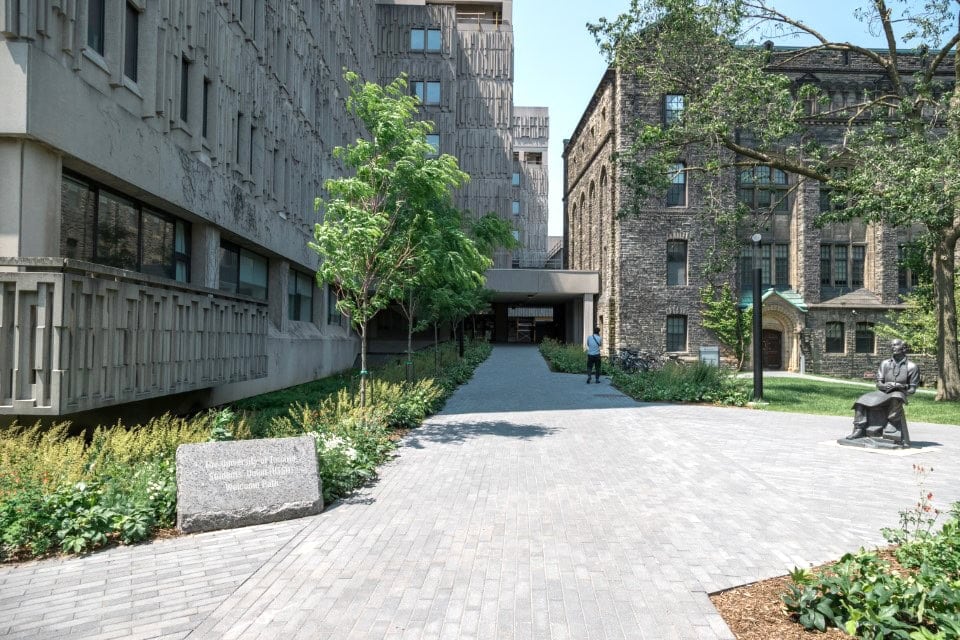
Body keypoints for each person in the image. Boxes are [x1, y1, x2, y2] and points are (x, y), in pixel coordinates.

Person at [847, 339, 920, 444]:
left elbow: (912, 389)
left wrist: (902, 386)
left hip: (899, 393)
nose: (892, 347)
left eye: (895, 345)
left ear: (903, 348)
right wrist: (885, 385)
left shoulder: (912, 367)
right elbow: (879, 383)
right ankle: (859, 428)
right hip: (884, 392)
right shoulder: (885, 363)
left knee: (896, 397)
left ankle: (892, 424)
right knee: (860, 401)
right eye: (891, 345)